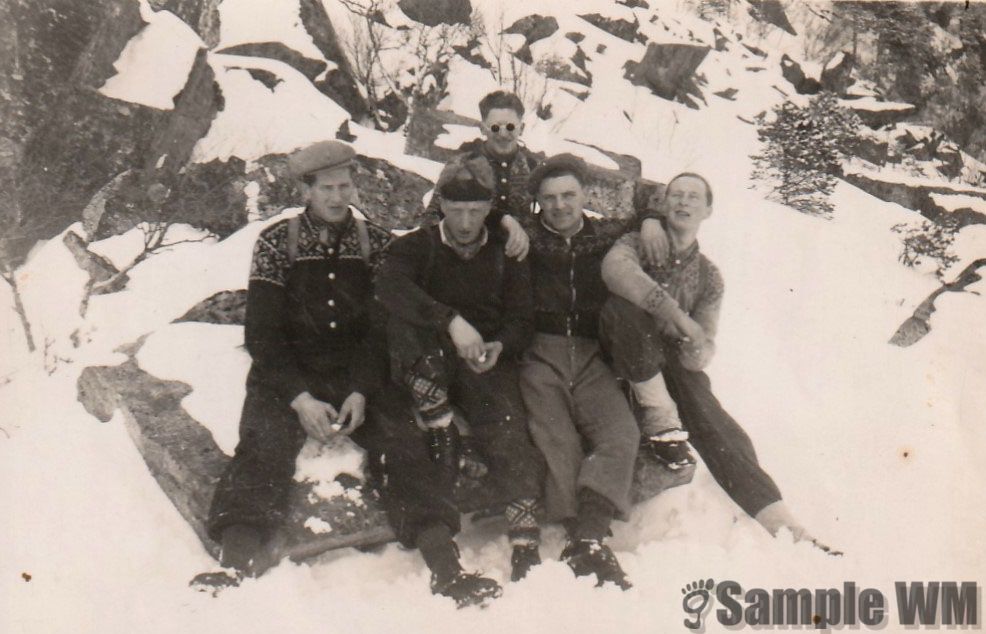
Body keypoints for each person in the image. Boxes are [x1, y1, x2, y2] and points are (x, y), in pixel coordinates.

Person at [193, 141, 465, 601]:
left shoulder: (376, 243)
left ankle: (446, 567)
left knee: (402, 445)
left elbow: (379, 330)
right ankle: (234, 564)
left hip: (356, 371)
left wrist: (361, 390)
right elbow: (262, 333)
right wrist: (299, 398)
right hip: (289, 371)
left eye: (345, 185)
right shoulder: (277, 242)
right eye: (327, 188)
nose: (338, 197)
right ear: (307, 189)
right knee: (263, 445)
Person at [599, 172, 815, 544]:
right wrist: (676, 315)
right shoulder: (637, 241)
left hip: (667, 362)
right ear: (664, 205)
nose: (683, 203)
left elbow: (705, 339)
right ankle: (659, 414)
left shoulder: (710, 276)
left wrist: (697, 350)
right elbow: (615, 271)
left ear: (708, 211)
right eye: (676, 195)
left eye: (693, 198)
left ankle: (778, 518)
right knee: (625, 310)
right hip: (619, 348)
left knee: (716, 421)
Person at [375, 152, 546, 599]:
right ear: (441, 206)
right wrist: (449, 320)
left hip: (480, 360)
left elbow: (521, 317)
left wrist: (500, 346)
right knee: (404, 324)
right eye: (456, 208)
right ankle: (440, 422)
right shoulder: (416, 246)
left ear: (490, 208)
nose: (466, 219)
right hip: (429, 357)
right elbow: (390, 286)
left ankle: (526, 544)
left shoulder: (506, 252)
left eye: (475, 209)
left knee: (508, 424)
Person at [517, 154, 669, 589]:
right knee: (556, 437)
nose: (560, 206)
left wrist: (654, 219)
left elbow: (652, 196)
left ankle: (590, 536)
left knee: (620, 433)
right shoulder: (524, 237)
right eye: (549, 198)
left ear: (585, 194)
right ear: (538, 203)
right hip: (538, 351)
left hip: (590, 353)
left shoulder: (606, 235)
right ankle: (574, 531)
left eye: (568, 195)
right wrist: (507, 225)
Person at [426, 90, 538, 260]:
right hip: (465, 257)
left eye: (510, 127)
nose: (502, 134)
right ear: (483, 128)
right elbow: (434, 215)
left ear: (521, 128)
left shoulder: (531, 167)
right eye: (495, 128)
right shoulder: (462, 163)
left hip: (517, 257)